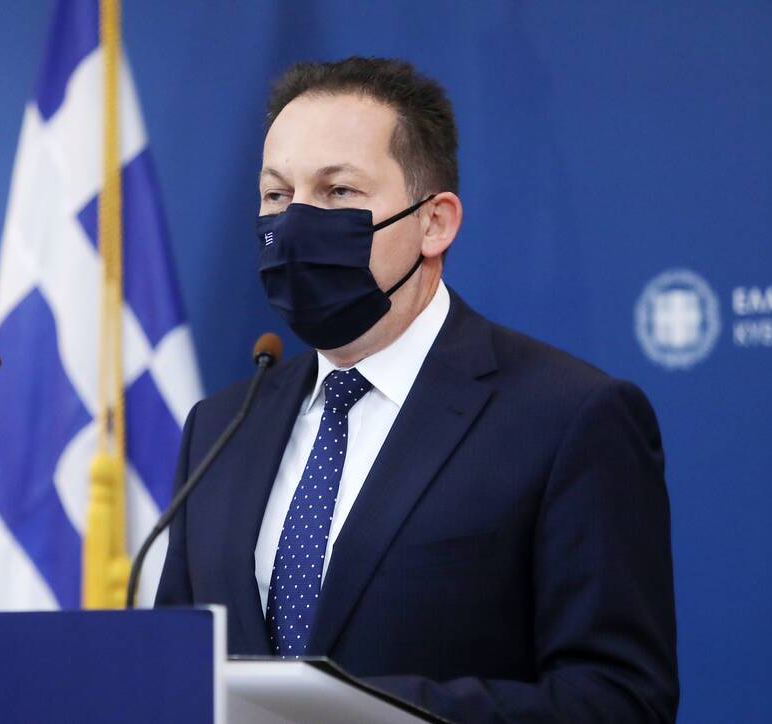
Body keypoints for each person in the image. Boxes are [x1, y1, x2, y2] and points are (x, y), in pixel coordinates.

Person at [155, 57, 678, 723]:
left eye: (339, 191)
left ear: (435, 223)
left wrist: (357, 712)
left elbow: (619, 701)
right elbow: (174, 675)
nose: (296, 222)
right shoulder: (220, 427)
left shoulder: (568, 418)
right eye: (278, 196)